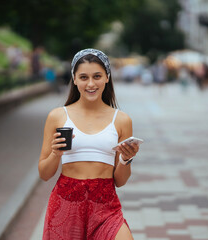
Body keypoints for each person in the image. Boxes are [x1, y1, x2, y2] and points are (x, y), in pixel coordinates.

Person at [38, 48, 140, 239]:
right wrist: (56, 154)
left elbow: (120, 180)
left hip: (105, 205)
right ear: (74, 79)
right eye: (83, 77)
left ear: (107, 78)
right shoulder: (58, 116)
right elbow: (44, 173)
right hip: (65, 202)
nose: (91, 83)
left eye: (97, 76)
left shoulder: (122, 120)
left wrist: (126, 159)